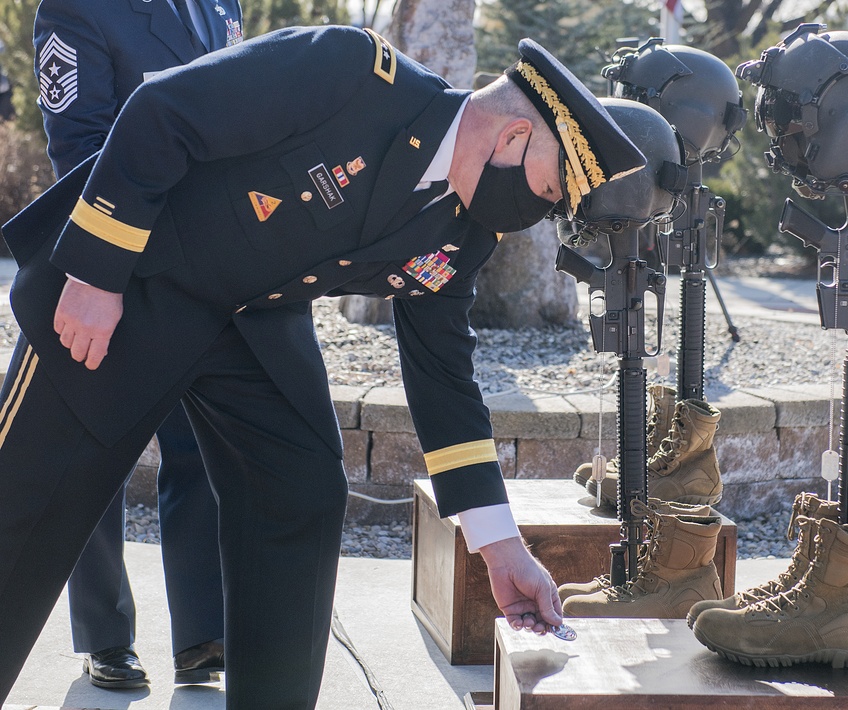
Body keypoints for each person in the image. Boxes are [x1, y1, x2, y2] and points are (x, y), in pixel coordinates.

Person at [0, 26, 644, 708]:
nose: (538, 215)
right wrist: (98, 274)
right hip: (140, 281)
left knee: (301, 490)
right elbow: (164, 111)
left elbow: (445, 380)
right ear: (513, 138)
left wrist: (501, 547)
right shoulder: (353, 74)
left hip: (251, 318)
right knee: (27, 502)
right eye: (547, 192)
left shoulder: (462, 234)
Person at [31, 0, 242, 689]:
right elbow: (79, 145)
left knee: (200, 451)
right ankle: (105, 635)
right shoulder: (76, 7)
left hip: (199, 268)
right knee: (90, 456)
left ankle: (202, 636)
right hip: (103, 267)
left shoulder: (221, 3)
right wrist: (123, 258)